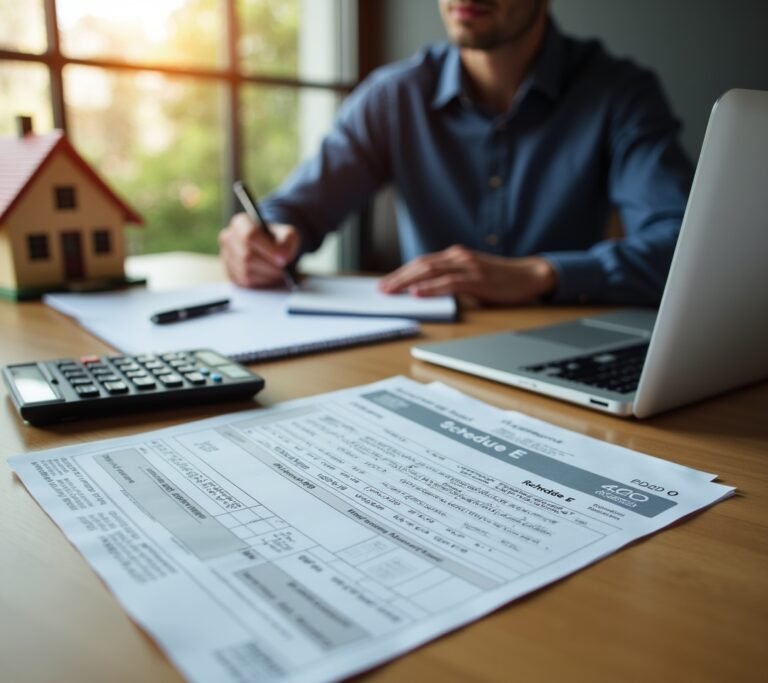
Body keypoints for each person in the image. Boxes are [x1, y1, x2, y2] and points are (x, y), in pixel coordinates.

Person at [219, 0, 693, 306]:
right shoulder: (394, 95)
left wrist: (540, 273)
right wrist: (263, 240)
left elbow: (680, 248)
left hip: (562, 346)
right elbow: (294, 211)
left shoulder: (621, 95)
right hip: (425, 353)